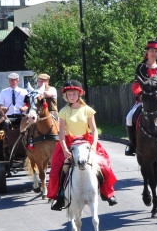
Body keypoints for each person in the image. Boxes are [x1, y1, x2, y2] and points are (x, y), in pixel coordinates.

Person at [47, 81, 118, 210]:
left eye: (74, 94)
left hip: (87, 142)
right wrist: (64, 149)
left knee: (105, 166)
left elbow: (95, 130)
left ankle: (107, 193)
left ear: (79, 94)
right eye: (69, 94)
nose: (72, 96)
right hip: (69, 143)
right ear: (66, 96)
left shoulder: (87, 110)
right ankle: (60, 196)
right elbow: (61, 133)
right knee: (57, 169)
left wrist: (94, 145)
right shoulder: (63, 111)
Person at [126, 40, 157, 156]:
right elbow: (136, 85)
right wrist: (141, 94)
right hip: (145, 99)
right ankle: (132, 144)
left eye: (156, 51)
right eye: (151, 50)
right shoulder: (141, 67)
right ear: (147, 52)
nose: (153, 53)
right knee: (129, 117)